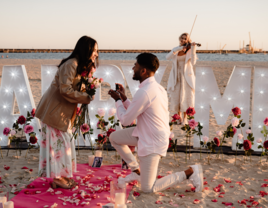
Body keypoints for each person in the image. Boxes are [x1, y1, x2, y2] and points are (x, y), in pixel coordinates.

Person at [108, 53, 203, 193]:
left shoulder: (145, 91)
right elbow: (137, 111)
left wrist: (117, 101)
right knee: (114, 138)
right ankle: (136, 170)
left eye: (136, 65)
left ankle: (190, 172)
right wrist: (123, 99)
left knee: (148, 189)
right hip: (145, 132)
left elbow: (126, 120)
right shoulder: (156, 88)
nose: (133, 68)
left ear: (143, 70)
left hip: (152, 140)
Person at [35, 36, 98, 189]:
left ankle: (61, 176)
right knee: (60, 145)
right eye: (95, 50)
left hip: (62, 112)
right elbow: (65, 90)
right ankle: (58, 178)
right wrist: (86, 97)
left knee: (64, 144)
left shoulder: (79, 66)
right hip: (54, 110)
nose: (96, 54)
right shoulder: (71, 64)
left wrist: (88, 86)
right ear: (86, 49)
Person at [166, 33, 197, 125]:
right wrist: (179, 48)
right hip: (176, 76)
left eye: (185, 39)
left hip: (186, 77)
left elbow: (193, 62)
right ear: (180, 39)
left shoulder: (189, 50)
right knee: (177, 96)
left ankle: (185, 119)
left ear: (188, 40)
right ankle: (178, 118)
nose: (183, 40)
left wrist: (193, 49)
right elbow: (167, 57)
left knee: (185, 96)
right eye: (182, 38)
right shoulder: (176, 49)